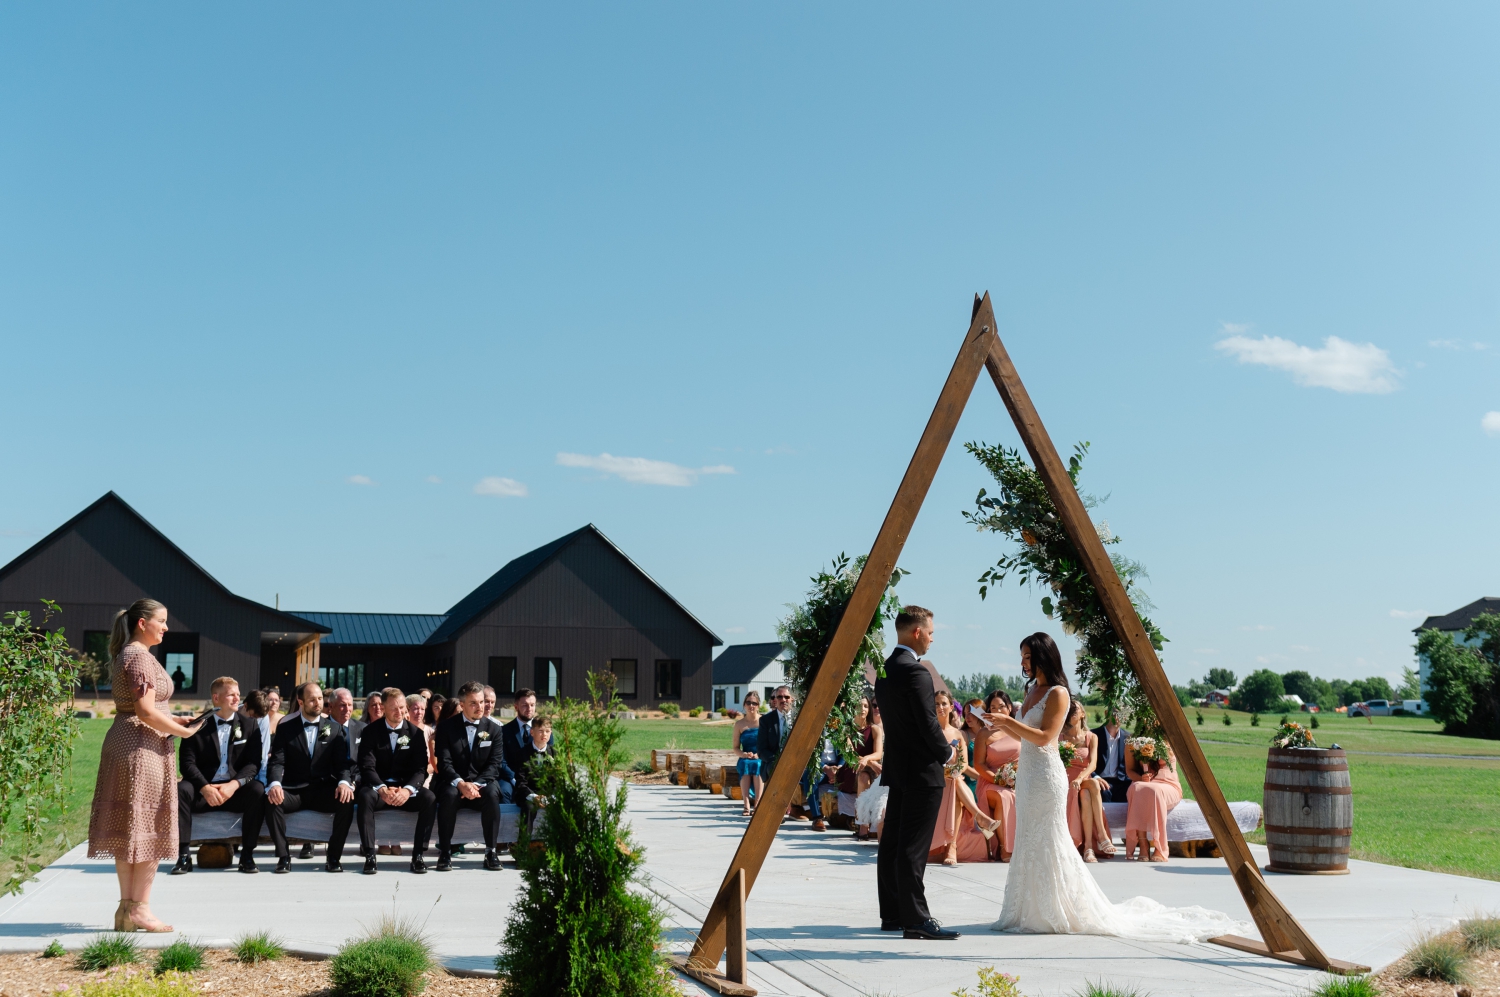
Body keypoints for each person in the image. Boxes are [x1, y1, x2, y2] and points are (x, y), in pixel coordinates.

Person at [987, 632, 1245, 940]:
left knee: (1049, 835)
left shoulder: (1058, 693)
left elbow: (1045, 737)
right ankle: (1028, 908)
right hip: (1028, 774)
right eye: (1023, 657)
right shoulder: (1031, 691)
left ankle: (1057, 908)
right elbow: (1023, 736)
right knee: (1029, 834)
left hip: (1046, 776)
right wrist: (999, 728)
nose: (1023, 662)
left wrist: (1008, 723)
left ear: (1045, 656)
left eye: (1028, 656)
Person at [89, 599, 207, 933]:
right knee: (147, 826)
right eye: (162, 621)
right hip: (141, 748)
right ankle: (140, 909)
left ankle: (127, 909)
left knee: (132, 828)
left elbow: (146, 707)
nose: (167, 627)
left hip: (128, 742)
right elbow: (144, 710)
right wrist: (182, 730)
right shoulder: (140, 656)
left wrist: (172, 717)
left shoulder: (127, 653)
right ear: (143, 623)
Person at [873, 605, 959, 941]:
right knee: (913, 846)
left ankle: (892, 913)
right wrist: (947, 752)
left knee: (893, 843)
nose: (933, 640)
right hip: (923, 771)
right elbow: (927, 723)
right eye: (932, 633)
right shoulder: (917, 672)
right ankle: (917, 920)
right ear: (917, 632)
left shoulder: (886, 669)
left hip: (899, 769)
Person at [174, 676, 268, 874]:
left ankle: (247, 856)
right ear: (216, 698)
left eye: (237, 694)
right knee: (182, 789)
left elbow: (253, 764)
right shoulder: (197, 726)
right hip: (204, 790)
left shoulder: (250, 726)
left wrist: (233, 785)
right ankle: (183, 856)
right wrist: (205, 788)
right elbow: (187, 763)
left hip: (234, 791)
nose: (237, 699)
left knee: (258, 790)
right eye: (231, 695)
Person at [266, 682, 356, 873]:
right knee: (271, 801)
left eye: (320, 699)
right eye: (312, 700)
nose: (318, 703)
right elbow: (277, 761)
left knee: (347, 801)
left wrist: (344, 783)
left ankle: (333, 857)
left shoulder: (335, 728)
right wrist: (274, 783)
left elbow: (342, 764)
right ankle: (283, 857)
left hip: (322, 789)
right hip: (294, 789)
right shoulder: (286, 728)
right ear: (300, 702)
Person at [356, 686, 436, 874]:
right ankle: (369, 855)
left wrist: (407, 790)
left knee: (429, 798)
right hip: (379, 789)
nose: (399, 712)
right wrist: (382, 788)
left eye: (402, 707)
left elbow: (420, 769)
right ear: (383, 708)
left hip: (405, 790)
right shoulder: (370, 732)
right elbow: (367, 766)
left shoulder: (415, 734)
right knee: (365, 797)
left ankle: (418, 855)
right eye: (394, 708)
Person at [433, 681, 512, 871]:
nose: (480, 707)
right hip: (454, 782)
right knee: (449, 795)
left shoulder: (494, 729)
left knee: (493, 793)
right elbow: (444, 762)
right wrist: (461, 784)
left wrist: (476, 784)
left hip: (482, 782)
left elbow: (494, 764)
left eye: (482, 702)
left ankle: (491, 851)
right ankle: (445, 852)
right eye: (474, 703)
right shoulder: (446, 728)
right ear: (462, 705)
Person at [929, 691, 1001, 866]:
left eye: (944, 703)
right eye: (936, 704)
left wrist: (953, 771)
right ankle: (979, 819)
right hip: (934, 779)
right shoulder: (928, 731)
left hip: (953, 779)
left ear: (952, 707)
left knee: (956, 782)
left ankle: (952, 846)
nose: (940, 707)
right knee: (957, 783)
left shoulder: (958, 734)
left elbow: (963, 763)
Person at [1060, 698, 1112, 862]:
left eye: (1075, 710)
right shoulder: (1060, 736)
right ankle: (1092, 844)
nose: (1071, 714)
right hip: (1066, 780)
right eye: (1069, 710)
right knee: (1087, 793)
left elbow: (1093, 764)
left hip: (1083, 778)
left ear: (1083, 714)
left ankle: (1092, 844)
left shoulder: (1091, 737)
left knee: (1091, 786)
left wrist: (1081, 777)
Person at [1124, 738, 1182, 862]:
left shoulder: (1168, 739)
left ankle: (1159, 847)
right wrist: (1141, 777)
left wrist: (1154, 746)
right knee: (1136, 787)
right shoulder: (1133, 741)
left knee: (1155, 791)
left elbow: (1170, 757)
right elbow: (1129, 770)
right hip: (1144, 782)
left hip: (1168, 784)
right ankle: (1143, 845)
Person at [839, 694, 883, 839]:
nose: (862, 709)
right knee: (864, 778)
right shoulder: (846, 730)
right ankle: (863, 825)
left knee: (869, 777)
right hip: (852, 768)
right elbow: (850, 755)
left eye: (865, 706)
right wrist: (869, 761)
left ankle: (872, 824)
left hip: (872, 767)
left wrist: (867, 760)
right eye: (858, 706)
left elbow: (878, 753)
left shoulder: (875, 729)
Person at [757, 686, 797, 815]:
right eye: (779, 697)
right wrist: (778, 761)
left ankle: (809, 812)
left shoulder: (800, 718)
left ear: (792, 699)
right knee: (778, 769)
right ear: (775, 700)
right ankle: (779, 811)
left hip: (797, 761)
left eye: (787, 697)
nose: (783, 700)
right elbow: (761, 749)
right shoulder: (766, 720)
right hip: (774, 761)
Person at [500, 688, 543, 799]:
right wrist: (515, 778)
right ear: (516, 707)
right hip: (511, 777)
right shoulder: (504, 731)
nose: (529, 709)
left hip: (536, 777)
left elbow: (549, 758)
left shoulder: (544, 731)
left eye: (532, 705)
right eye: (525, 705)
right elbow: (501, 761)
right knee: (504, 791)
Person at [731, 692, 763, 817]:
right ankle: (746, 804)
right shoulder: (739, 724)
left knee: (757, 764)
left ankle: (758, 803)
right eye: (748, 702)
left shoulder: (763, 722)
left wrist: (758, 755)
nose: (751, 705)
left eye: (754, 703)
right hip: (745, 757)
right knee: (745, 764)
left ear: (758, 705)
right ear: (744, 705)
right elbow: (735, 747)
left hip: (760, 757)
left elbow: (768, 745)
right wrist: (744, 754)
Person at [1091, 710, 1131, 803]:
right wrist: (1095, 777)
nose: (1117, 717)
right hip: (1099, 779)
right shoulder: (1093, 735)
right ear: (1106, 713)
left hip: (1121, 781)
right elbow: (1085, 762)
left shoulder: (1128, 737)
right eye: (1114, 713)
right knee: (1103, 793)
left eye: (1121, 714)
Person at [408, 694, 435, 783]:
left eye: (422, 709)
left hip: (424, 775)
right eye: (415, 709)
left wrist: (418, 775)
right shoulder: (400, 730)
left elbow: (434, 762)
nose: (419, 712)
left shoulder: (430, 732)